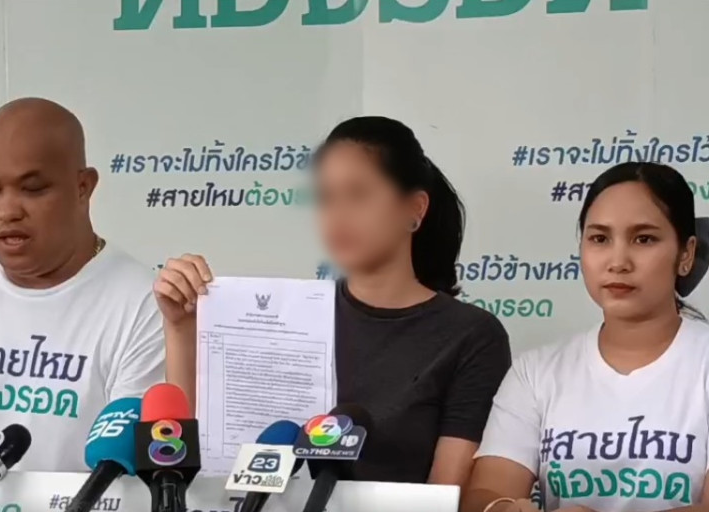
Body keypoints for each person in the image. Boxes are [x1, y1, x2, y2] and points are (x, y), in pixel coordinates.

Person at [156, 116, 512, 484]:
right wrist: (180, 328)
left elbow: (446, 494)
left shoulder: (472, 336)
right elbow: (182, 453)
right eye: (326, 198)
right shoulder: (290, 318)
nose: (338, 216)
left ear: (414, 209)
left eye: (358, 195)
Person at [462, 162, 709, 512]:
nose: (618, 261)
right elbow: (486, 493)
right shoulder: (536, 372)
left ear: (686, 254)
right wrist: (505, 508)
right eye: (599, 239)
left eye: (644, 239)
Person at [0, 98, 166, 471]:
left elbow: (136, 474)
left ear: (82, 187)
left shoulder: (147, 308)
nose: (7, 211)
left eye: (32, 189)